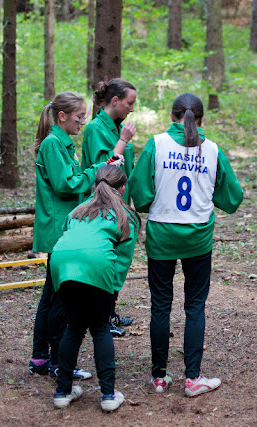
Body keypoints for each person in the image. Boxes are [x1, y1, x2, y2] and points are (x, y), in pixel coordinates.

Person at [129, 93, 244, 397]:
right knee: (194, 306)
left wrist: (151, 204)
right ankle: (192, 378)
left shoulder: (156, 144)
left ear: (172, 116)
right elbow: (233, 197)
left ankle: (158, 377)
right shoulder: (213, 150)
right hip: (198, 237)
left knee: (160, 305)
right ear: (202, 119)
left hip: (162, 235)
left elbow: (138, 189)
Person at [28, 91, 120, 380]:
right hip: (57, 229)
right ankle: (57, 361)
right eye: (79, 117)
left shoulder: (61, 143)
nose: (82, 122)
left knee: (51, 295)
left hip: (61, 228)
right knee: (58, 301)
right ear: (62, 116)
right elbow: (66, 184)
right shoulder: (53, 144)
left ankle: (40, 358)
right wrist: (97, 171)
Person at [50, 165, 140, 412]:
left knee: (74, 327)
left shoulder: (77, 210)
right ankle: (108, 395)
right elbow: (122, 259)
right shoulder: (124, 215)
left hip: (62, 265)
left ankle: (62, 392)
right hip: (97, 264)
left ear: (94, 185)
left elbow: (68, 240)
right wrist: (112, 291)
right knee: (100, 328)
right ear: (123, 187)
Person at [82, 78, 138, 336]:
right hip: (103, 205)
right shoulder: (95, 129)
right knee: (105, 260)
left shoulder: (118, 128)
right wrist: (124, 141)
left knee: (118, 260)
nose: (132, 109)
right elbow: (102, 170)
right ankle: (101, 317)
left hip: (121, 204)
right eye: (129, 103)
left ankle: (109, 312)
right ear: (115, 101)